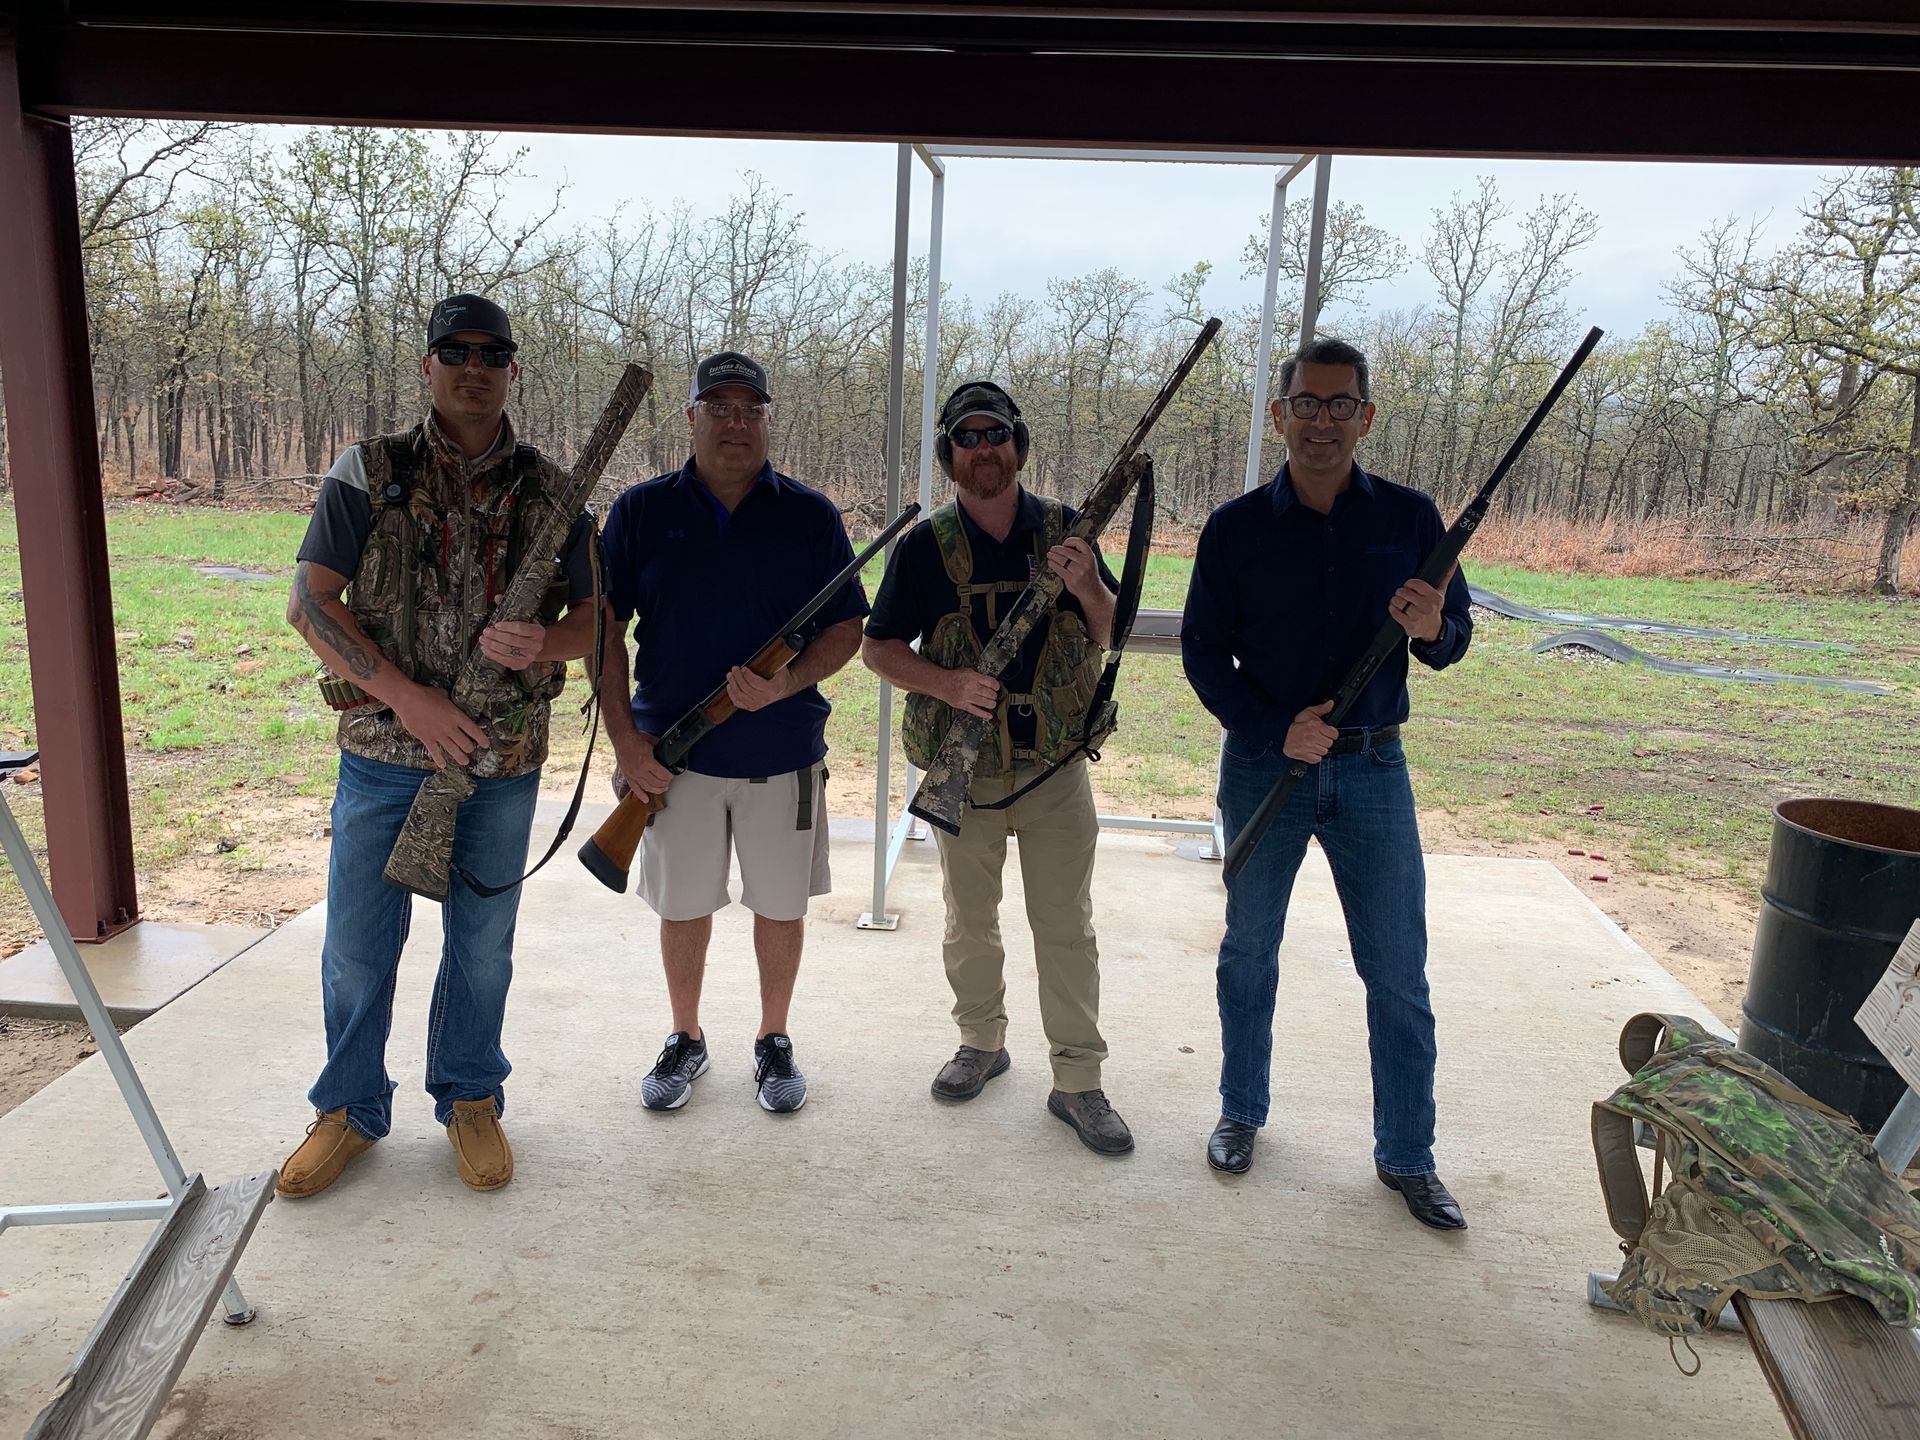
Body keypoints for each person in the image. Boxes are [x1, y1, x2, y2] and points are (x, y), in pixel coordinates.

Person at [278, 293, 601, 1197]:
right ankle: (348, 1109)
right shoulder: (368, 470)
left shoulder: (555, 492)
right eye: (454, 352)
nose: (472, 367)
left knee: (483, 946)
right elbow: (310, 603)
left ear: (512, 371)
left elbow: (597, 622)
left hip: (501, 764)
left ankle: (470, 1097)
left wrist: (545, 642)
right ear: (427, 366)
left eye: (490, 354)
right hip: (384, 755)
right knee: (356, 947)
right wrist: (408, 700)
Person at [1181, 336, 1474, 1230]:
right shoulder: (1234, 528)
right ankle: (1240, 1112)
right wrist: (1277, 728)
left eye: (1340, 404)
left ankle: (1408, 1155)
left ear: (1366, 417)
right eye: (1306, 403)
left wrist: (1432, 629)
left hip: (1374, 767)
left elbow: (1453, 640)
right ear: (1280, 415)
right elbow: (1203, 654)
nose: (1322, 421)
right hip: (1264, 766)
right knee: (1249, 951)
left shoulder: (1413, 519)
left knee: (1397, 971)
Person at [862, 381, 1134, 1157]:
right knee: (969, 920)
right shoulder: (925, 545)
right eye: (968, 438)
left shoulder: (1068, 531)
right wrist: (947, 684)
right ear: (949, 454)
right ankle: (980, 1043)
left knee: (1066, 927)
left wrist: (1086, 585)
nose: (984, 450)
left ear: (1018, 444)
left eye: (996, 435)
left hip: (1054, 769)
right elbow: (877, 648)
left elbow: (1112, 632)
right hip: (967, 772)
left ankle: (1078, 1081)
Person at [598, 351, 867, 1115]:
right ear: (691, 417)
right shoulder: (640, 510)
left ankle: (773, 1040)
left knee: (780, 905)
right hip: (669, 758)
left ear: (767, 421)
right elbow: (603, 630)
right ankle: (685, 1038)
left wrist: (784, 683)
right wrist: (628, 744)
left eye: (752, 410)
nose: (737, 424)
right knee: (683, 906)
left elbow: (846, 629)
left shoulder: (810, 514)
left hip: (782, 755)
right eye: (720, 408)